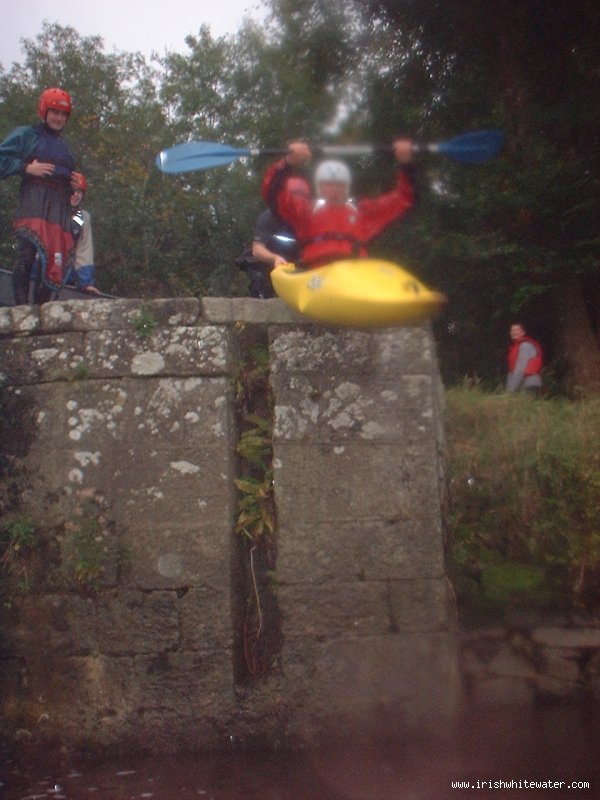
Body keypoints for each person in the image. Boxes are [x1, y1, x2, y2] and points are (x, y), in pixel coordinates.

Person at [260, 139, 415, 270]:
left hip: (355, 272)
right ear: (319, 186)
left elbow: (404, 199)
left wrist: (405, 164)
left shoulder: (361, 211)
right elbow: (273, 193)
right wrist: (287, 163)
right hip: (317, 272)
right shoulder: (305, 211)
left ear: (346, 186)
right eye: (328, 183)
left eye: (339, 184)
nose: (334, 188)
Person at [0, 87, 85, 305]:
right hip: (34, 200)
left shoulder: (65, 147)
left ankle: (40, 312)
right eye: (54, 112)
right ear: (44, 111)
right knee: (27, 253)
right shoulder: (28, 135)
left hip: (59, 207)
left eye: (63, 114)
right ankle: (20, 310)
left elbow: (69, 184)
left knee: (54, 264)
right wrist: (26, 167)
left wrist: (78, 189)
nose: (58, 118)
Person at [237, 177, 311, 298]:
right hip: (267, 263)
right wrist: (275, 258)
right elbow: (257, 249)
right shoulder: (269, 217)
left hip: (296, 264)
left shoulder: (309, 219)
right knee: (259, 279)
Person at [65, 175, 100, 294]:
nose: (76, 195)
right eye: (73, 191)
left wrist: (86, 283)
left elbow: (84, 250)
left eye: (79, 192)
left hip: (66, 274)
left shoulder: (83, 217)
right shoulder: (50, 211)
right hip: (42, 271)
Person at [506, 322, 543, 393]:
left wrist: (511, 390)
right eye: (512, 330)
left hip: (530, 385)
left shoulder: (525, 346)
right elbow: (512, 371)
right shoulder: (515, 346)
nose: (514, 332)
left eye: (517, 330)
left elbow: (520, 368)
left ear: (523, 332)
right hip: (521, 385)